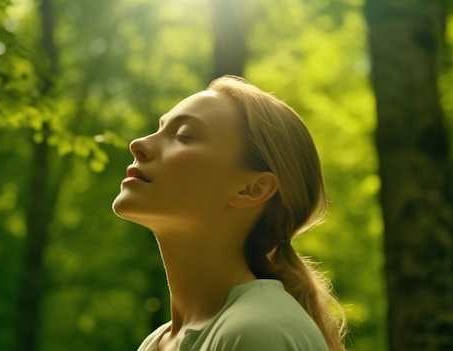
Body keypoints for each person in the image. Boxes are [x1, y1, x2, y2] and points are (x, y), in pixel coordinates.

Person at [112, 75, 347, 351]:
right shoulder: (158, 342)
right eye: (160, 128)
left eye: (184, 135)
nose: (138, 144)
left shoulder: (260, 333)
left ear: (252, 189)